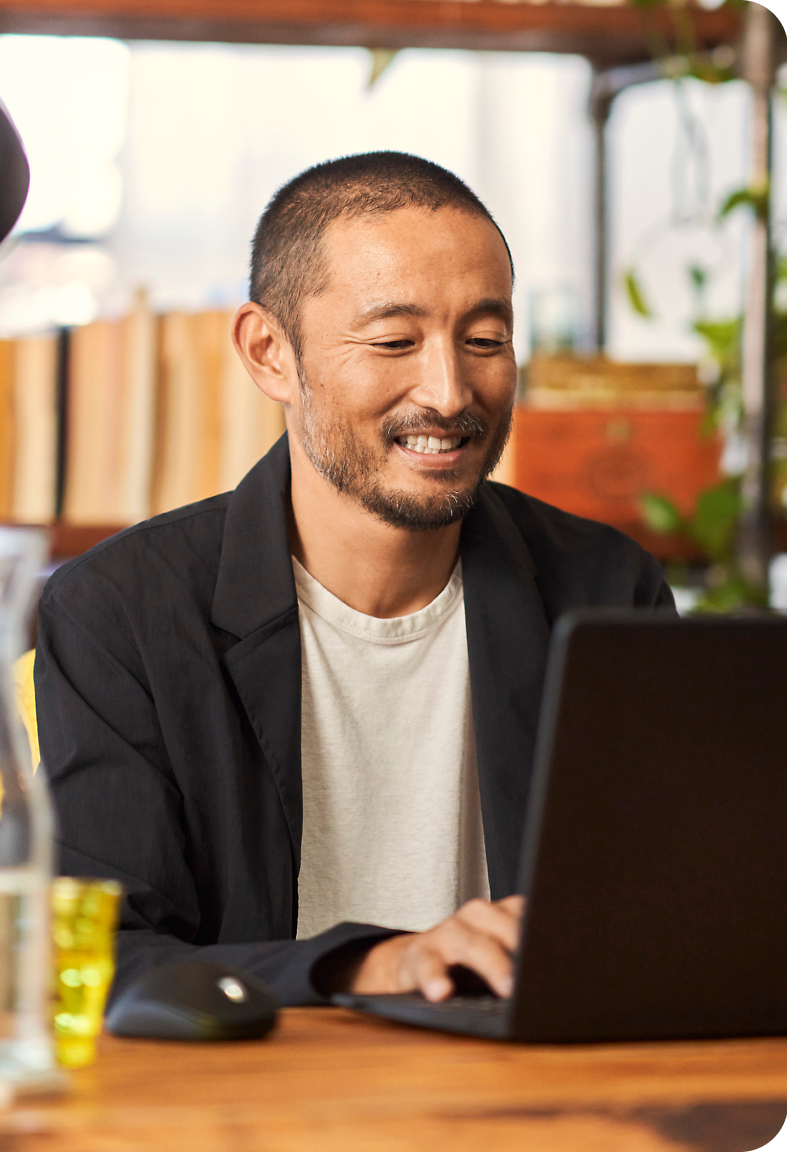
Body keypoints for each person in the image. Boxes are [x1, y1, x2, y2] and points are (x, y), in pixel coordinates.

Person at [36, 152, 673, 1008]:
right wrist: (367, 966)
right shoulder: (122, 611)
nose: (450, 392)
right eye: (394, 343)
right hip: (254, 1111)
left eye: (485, 340)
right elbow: (102, 957)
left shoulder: (604, 587)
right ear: (270, 354)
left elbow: (670, 918)